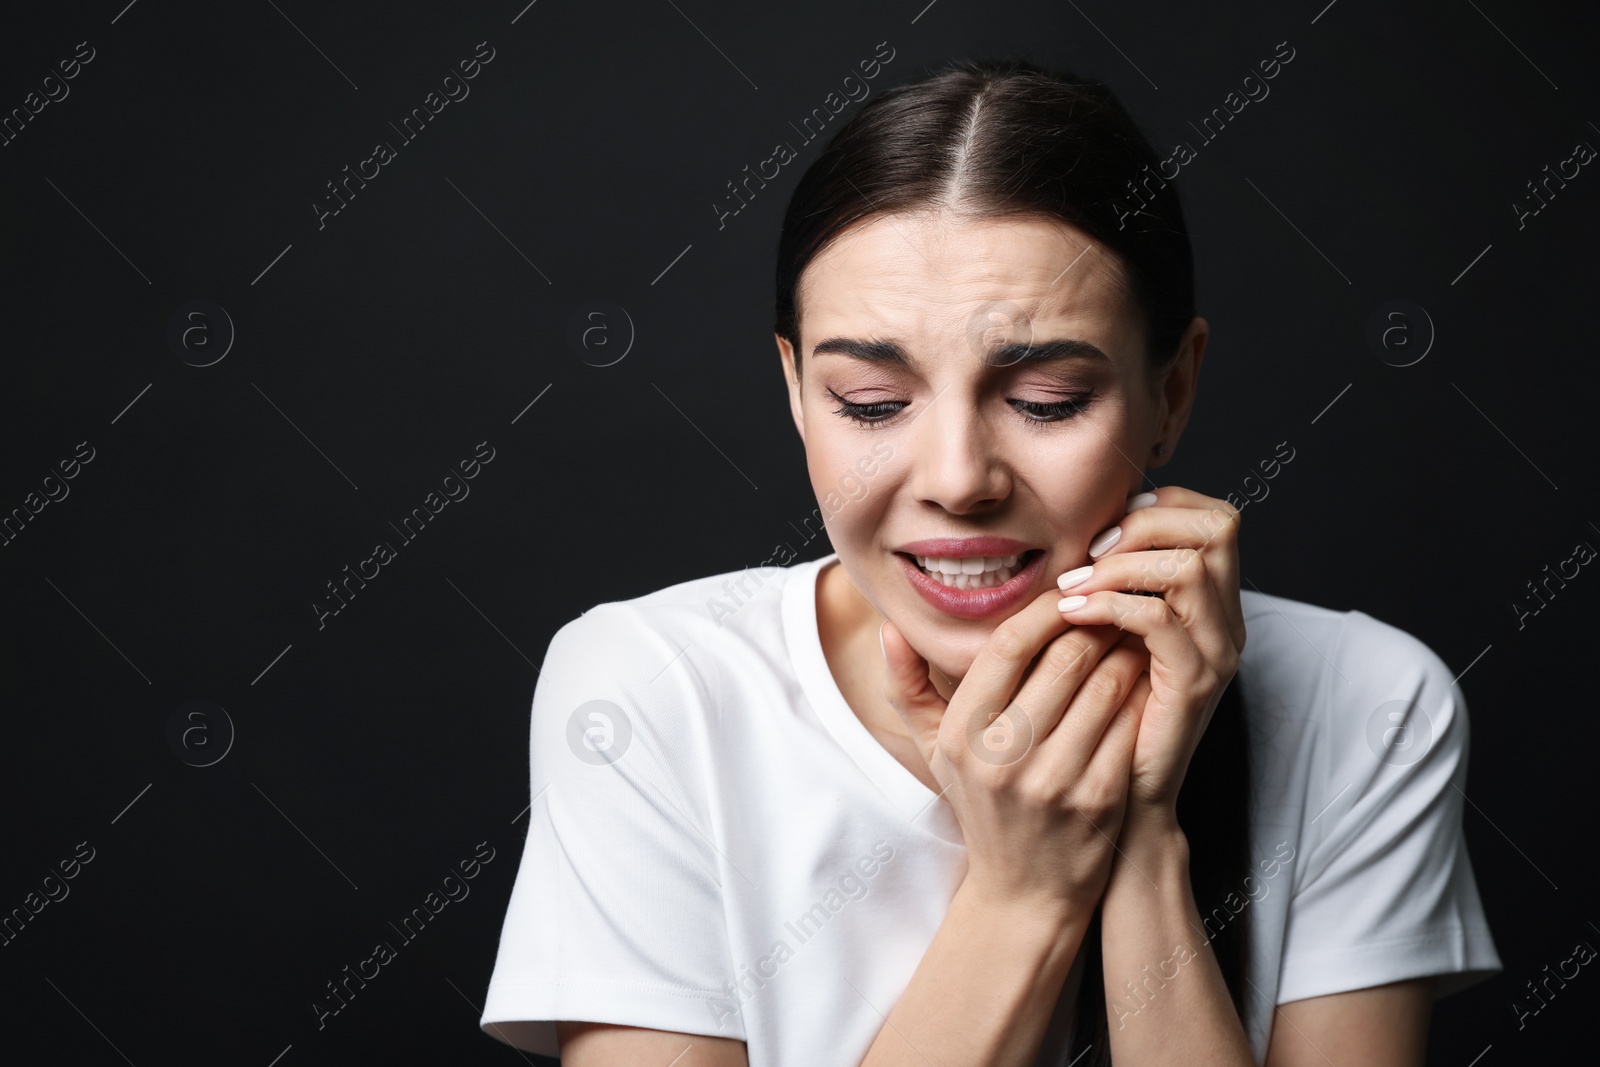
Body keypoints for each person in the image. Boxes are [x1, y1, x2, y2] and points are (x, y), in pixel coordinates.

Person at [478, 57, 1501, 1066]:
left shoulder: (1366, 704)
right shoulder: (655, 689)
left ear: (1172, 392)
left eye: (1047, 399)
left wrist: (1140, 839)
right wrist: (1025, 893)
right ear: (796, 391)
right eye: (871, 403)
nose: (959, 478)